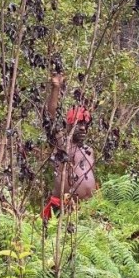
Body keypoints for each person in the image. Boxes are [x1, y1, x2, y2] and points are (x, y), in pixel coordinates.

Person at [42, 72, 98, 221]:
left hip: (86, 211)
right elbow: (51, 118)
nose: (83, 129)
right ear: (69, 125)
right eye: (79, 125)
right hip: (63, 208)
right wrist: (56, 88)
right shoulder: (62, 145)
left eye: (85, 126)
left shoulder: (89, 151)